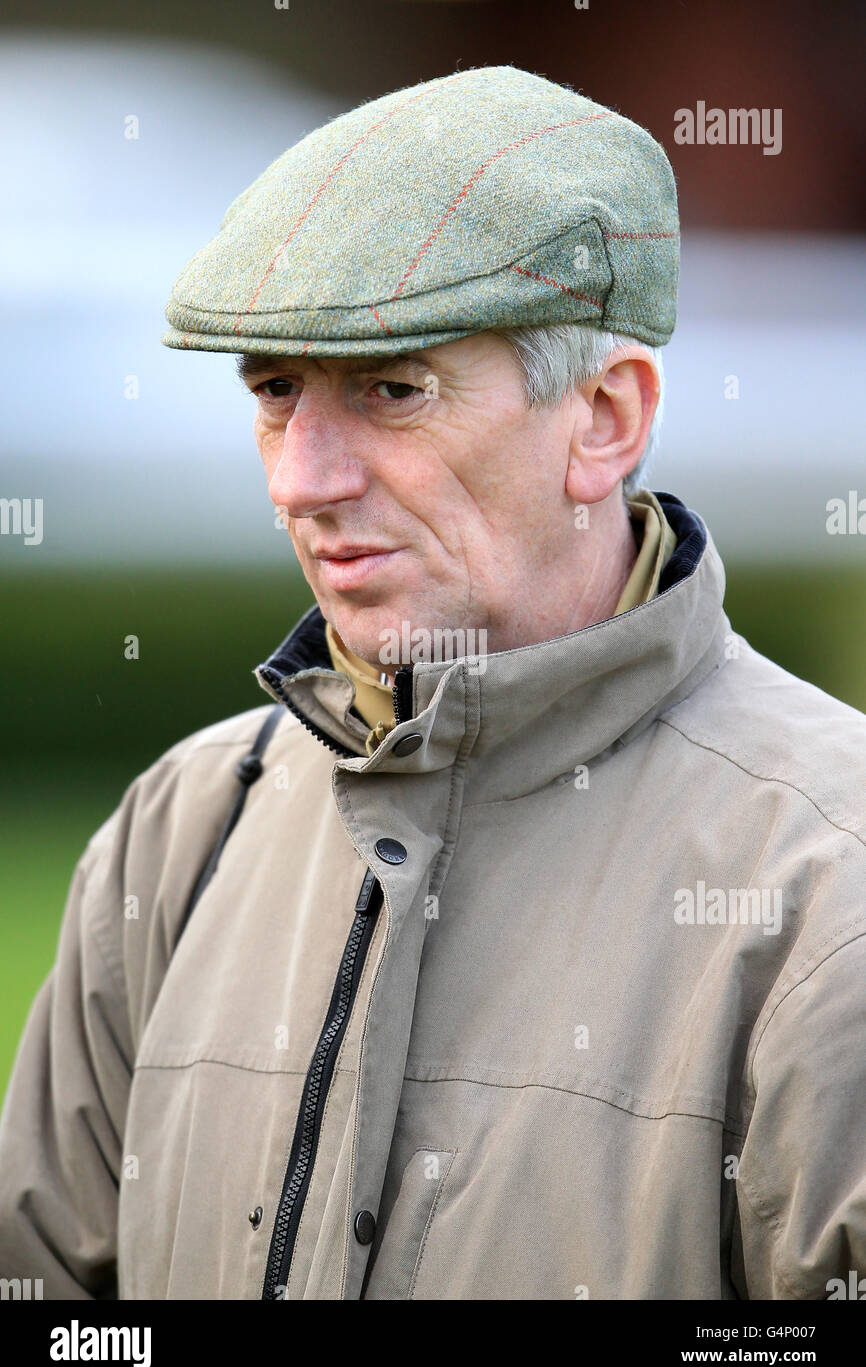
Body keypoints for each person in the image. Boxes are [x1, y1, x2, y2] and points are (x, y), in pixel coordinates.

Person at [1, 64, 864, 1302]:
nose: (301, 479)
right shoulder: (178, 836)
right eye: (274, 393)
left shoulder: (828, 886)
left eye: (390, 390)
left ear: (605, 420)